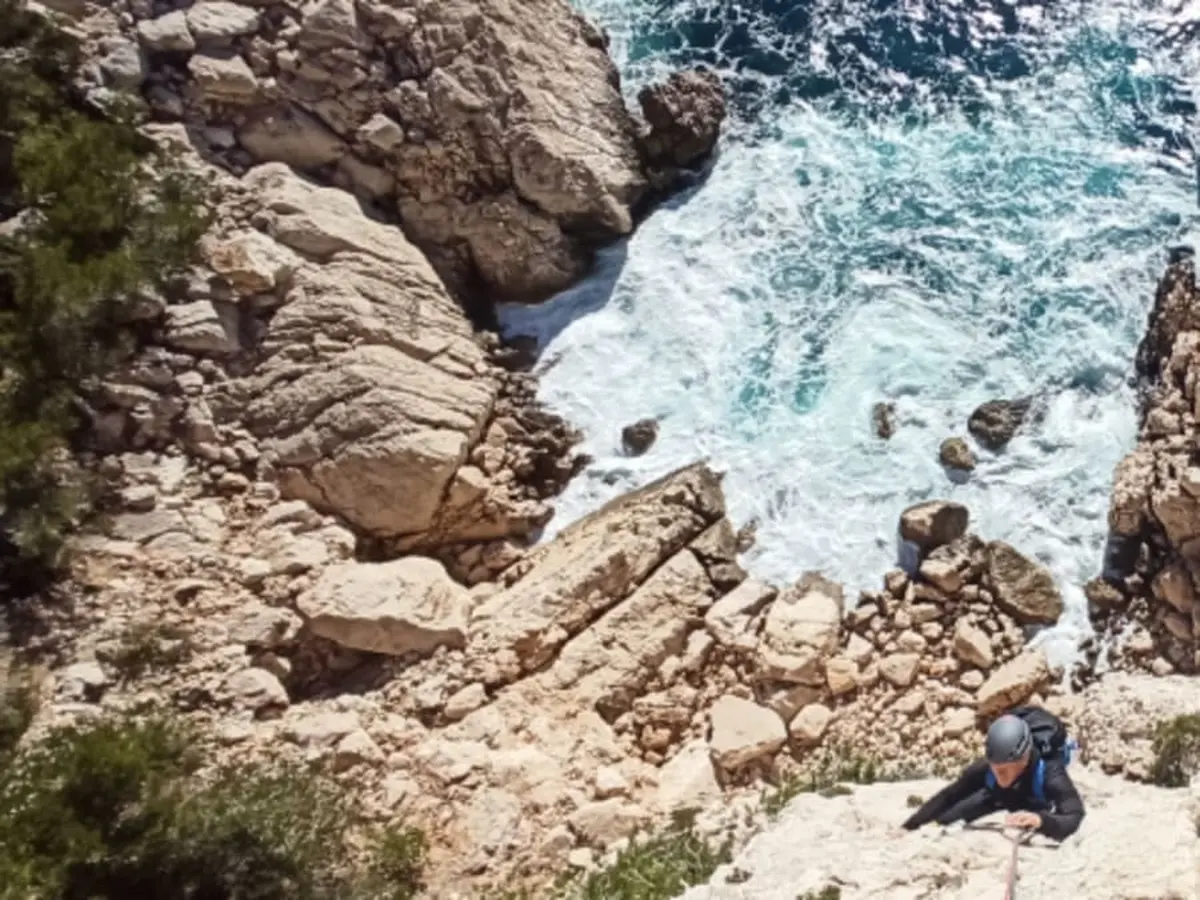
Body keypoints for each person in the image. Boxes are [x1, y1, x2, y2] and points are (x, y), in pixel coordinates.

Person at [901, 705, 1085, 841]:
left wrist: (1041, 820)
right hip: (999, 796)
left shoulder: (1050, 772)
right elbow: (949, 796)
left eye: (1005, 770)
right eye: (995, 768)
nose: (999, 775)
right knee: (945, 819)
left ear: (1024, 758)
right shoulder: (986, 768)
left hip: (1031, 798)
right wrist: (910, 826)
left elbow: (1074, 815)